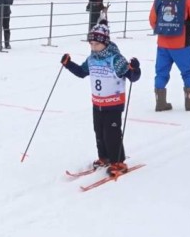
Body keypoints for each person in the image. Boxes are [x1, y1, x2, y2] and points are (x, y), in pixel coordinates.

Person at [60, 20, 141, 175]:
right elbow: (82, 72)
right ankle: (104, 157)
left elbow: (132, 77)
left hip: (114, 103)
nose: (93, 47)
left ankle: (118, 161)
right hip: (97, 103)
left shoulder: (115, 59)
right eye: (91, 44)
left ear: (105, 42)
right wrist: (68, 64)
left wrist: (135, 68)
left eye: (96, 44)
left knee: (112, 133)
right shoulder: (92, 59)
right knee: (99, 131)